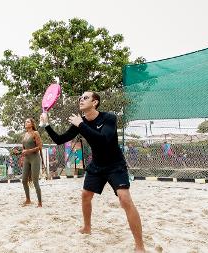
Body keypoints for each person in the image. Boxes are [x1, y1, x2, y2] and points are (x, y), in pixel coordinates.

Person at [40, 91, 145, 252]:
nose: (81, 100)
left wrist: (81, 125)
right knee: (85, 195)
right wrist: (46, 124)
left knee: (125, 199)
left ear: (95, 102)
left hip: (115, 164)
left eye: (85, 98)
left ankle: (140, 246)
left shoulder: (109, 118)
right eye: (80, 98)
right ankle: (87, 227)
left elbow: (104, 139)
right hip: (96, 165)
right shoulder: (79, 122)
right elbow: (59, 140)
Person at [16, 118, 44, 207]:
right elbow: (24, 149)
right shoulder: (25, 135)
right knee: (24, 180)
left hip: (35, 158)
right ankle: (28, 200)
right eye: (25, 122)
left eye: (28, 122)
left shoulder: (35, 133)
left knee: (35, 181)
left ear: (32, 124)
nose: (26, 123)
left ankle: (40, 203)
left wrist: (28, 151)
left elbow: (39, 147)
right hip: (27, 159)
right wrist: (21, 155)